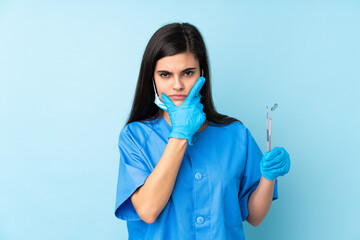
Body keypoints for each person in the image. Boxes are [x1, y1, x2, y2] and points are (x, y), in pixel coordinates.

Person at [114, 22, 290, 240]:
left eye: (188, 73)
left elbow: (254, 216)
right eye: (165, 74)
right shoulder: (135, 137)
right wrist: (180, 133)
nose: (177, 85)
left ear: (202, 73)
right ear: (152, 78)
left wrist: (267, 177)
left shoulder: (235, 135)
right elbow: (147, 210)